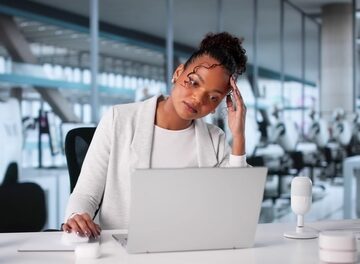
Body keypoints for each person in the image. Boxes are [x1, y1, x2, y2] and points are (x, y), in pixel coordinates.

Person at [62, 32, 248, 238]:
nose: (197, 98)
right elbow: (85, 194)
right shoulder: (119, 119)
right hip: (123, 250)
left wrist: (238, 135)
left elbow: (235, 205)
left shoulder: (214, 138)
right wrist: (77, 216)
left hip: (190, 248)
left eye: (212, 97)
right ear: (178, 73)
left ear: (217, 105)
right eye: (194, 82)